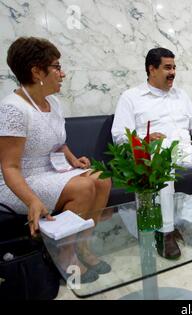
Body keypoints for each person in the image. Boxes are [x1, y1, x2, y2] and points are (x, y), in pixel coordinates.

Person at [0, 37, 112, 283]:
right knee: (83, 187)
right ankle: (64, 254)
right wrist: (31, 200)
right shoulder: (13, 109)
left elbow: (57, 141)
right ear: (37, 71)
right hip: (21, 180)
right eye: (57, 67)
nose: (63, 73)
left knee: (101, 178)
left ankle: (83, 246)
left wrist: (73, 160)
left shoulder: (53, 102)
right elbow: (8, 166)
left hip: (52, 171)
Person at [111, 47, 192, 260]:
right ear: (152, 69)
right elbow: (119, 135)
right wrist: (143, 142)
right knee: (161, 160)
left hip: (184, 149)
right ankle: (166, 232)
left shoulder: (181, 95)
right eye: (168, 67)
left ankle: (189, 222)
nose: (173, 72)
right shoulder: (131, 97)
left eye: (174, 67)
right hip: (153, 152)